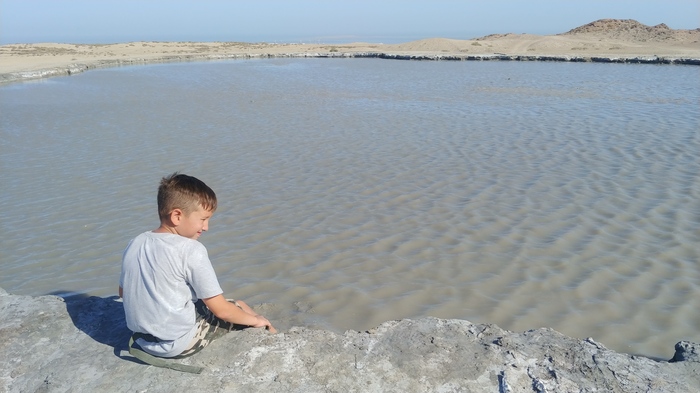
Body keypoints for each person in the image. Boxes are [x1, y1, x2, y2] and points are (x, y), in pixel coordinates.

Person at [119, 172, 276, 368]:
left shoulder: (135, 242)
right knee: (240, 307)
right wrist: (255, 321)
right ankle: (274, 337)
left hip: (141, 339)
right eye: (203, 219)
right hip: (177, 344)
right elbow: (221, 311)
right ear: (177, 215)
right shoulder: (191, 250)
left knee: (223, 305)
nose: (206, 227)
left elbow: (123, 293)